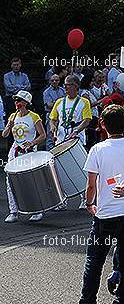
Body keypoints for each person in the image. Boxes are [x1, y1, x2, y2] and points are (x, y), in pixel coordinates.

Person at [61, 104, 124, 304]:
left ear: (103, 125)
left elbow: (91, 184)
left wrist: (90, 204)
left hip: (105, 214)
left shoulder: (97, 149)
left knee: (94, 263)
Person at [2, 91, 46, 223]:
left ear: (26, 103)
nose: (17, 103)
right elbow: (4, 135)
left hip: (29, 152)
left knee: (31, 180)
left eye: (19, 100)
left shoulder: (34, 116)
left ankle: (36, 210)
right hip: (15, 151)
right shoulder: (12, 116)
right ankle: (13, 211)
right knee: (10, 181)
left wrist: (32, 142)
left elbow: (43, 135)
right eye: (16, 100)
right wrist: (8, 126)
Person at [49, 74, 92, 210]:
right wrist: (53, 127)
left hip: (76, 138)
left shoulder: (84, 102)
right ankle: (62, 201)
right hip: (61, 138)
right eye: (65, 85)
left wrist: (77, 131)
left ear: (76, 86)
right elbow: (53, 118)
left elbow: (87, 120)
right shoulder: (59, 102)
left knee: (80, 168)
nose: (65, 88)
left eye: (68, 85)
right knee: (59, 170)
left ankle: (84, 199)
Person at [43, 74, 65, 150]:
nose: (54, 82)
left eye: (56, 80)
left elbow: (66, 102)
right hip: (50, 115)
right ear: (49, 81)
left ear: (59, 81)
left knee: (61, 134)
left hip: (62, 115)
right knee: (50, 136)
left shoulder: (63, 90)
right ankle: (49, 154)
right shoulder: (46, 92)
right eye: (52, 80)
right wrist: (60, 102)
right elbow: (49, 105)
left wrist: (55, 102)